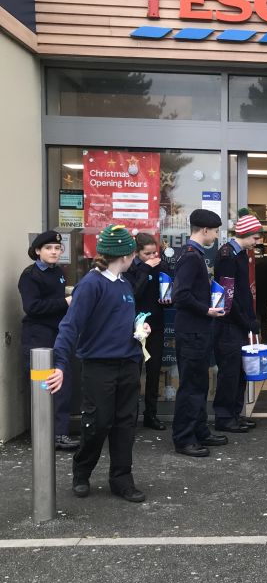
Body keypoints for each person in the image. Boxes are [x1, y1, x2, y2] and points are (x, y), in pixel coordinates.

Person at [46, 224, 149, 502]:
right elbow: (70, 326)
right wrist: (60, 365)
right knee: (98, 422)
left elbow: (118, 320)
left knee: (125, 423)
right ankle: (82, 471)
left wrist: (140, 327)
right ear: (126, 255)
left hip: (128, 362)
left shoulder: (124, 284)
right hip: (98, 365)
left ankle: (121, 479)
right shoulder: (91, 284)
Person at [171, 209, 228, 457]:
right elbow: (180, 295)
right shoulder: (191, 257)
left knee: (200, 384)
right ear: (204, 230)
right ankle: (184, 438)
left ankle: (200, 430)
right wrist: (207, 310)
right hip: (192, 332)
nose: (216, 235)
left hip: (198, 331)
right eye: (215, 231)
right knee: (191, 387)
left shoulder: (193, 254)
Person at [18, 230, 78, 451]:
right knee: (44, 386)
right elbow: (32, 307)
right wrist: (67, 301)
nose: (54, 252)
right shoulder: (30, 275)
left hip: (57, 334)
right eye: (49, 248)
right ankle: (46, 435)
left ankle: (60, 434)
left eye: (57, 248)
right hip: (38, 337)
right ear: (37, 251)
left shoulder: (57, 272)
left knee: (63, 383)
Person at [212, 209, 263, 434]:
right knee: (229, 372)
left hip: (240, 324)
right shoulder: (227, 256)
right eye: (255, 237)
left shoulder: (241, 254)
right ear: (244, 234)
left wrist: (252, 319)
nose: (258, 241)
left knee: (241, 372)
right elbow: (227, 297)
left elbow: (243, 292)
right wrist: (245, 321)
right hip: (228, 326)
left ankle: (235, 413)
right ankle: (224, 417)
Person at [123, 232, 172, 431]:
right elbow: (134, 293)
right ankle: (129, 416)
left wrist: (169, 299)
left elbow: (168, 289)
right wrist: (144, 269)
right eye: (147, 254)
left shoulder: (161, 265)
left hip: (156, 324)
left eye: (155, 253)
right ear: (137, 253)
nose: (152, 257)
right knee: (133, 373)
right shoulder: (130, 269)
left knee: (154, 371)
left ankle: (151, 414)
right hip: (133, 325)